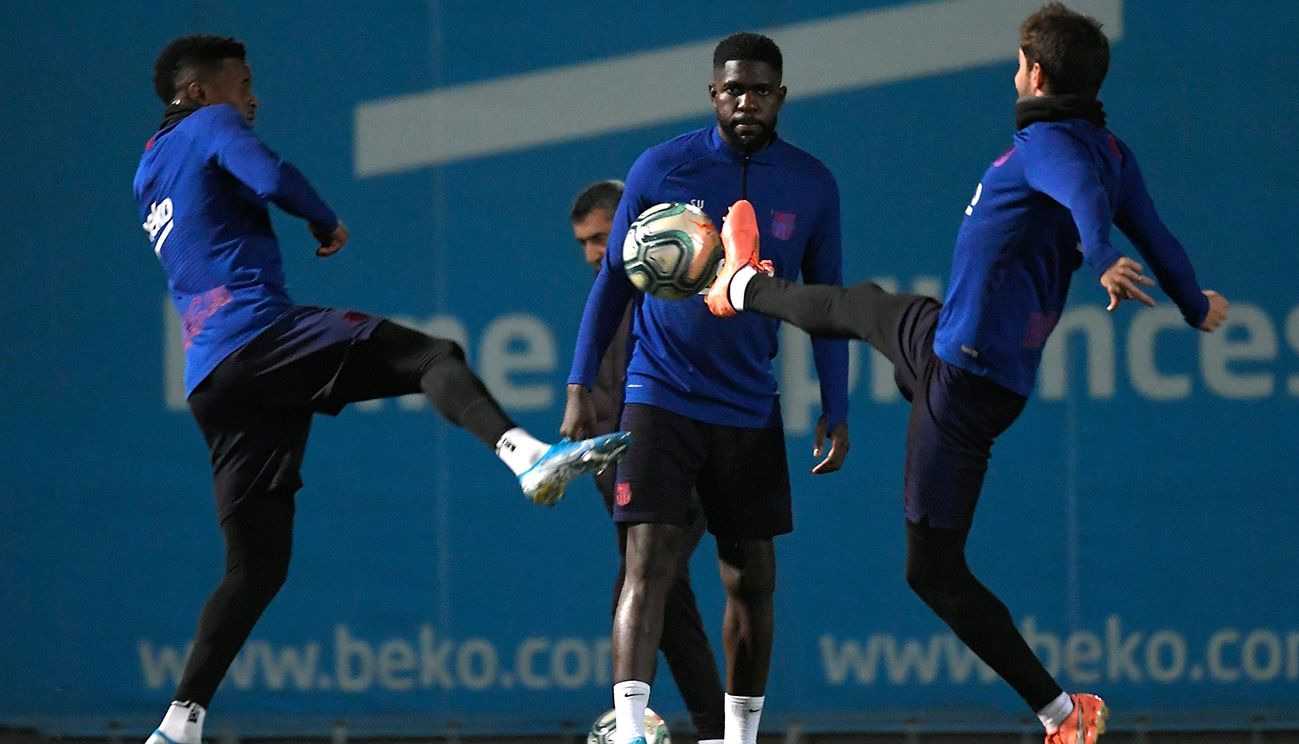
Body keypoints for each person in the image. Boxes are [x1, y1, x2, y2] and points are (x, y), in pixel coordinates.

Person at [704, 5, 1230, 744]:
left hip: (968, 383)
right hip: (945, 339)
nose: (1015, 73)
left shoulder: (1057, 147)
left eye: (1020, 63)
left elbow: (1081, 197)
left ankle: (1061, 713)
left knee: (933, 572)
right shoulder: (1110, 150)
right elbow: (1162, 236)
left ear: (1037, 75)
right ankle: (744, 285)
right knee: (864, 306)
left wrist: (1098, 252)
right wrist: (1190, 301)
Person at [133, 35, 631, 744]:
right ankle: (525, 454)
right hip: (258, 336)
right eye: (243, 82)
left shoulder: (146, 172)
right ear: (200, 91)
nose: (253, 98)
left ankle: (177, 725)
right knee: (431, 355)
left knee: (257, 567)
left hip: (212, 379)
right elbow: (269, 175)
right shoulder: (212, 123)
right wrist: (322, 217)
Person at [560, 33, 851, 744]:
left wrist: (836, 406)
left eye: (759, 89)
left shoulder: (811, 184)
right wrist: (577, 384)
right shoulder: (662, 167)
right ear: (713, 94)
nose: (745, 100)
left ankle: (741, 737)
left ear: (780, 96)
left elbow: (829, 302)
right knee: (648, 559)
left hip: (749, 406)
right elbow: (612, 286)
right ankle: (630, 727)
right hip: (659, 396)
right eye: (733, 89)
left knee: (751, 579)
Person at [570, 180, 726, 743]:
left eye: (598, 238)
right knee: (670, 606)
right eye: (583, 243)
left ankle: (629, 730)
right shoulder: (608, 294)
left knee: (636, 590)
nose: (591, 254)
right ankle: (718, 732)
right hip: (622, 478)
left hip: (678, 469)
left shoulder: (673, 288)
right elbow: (607, 388)